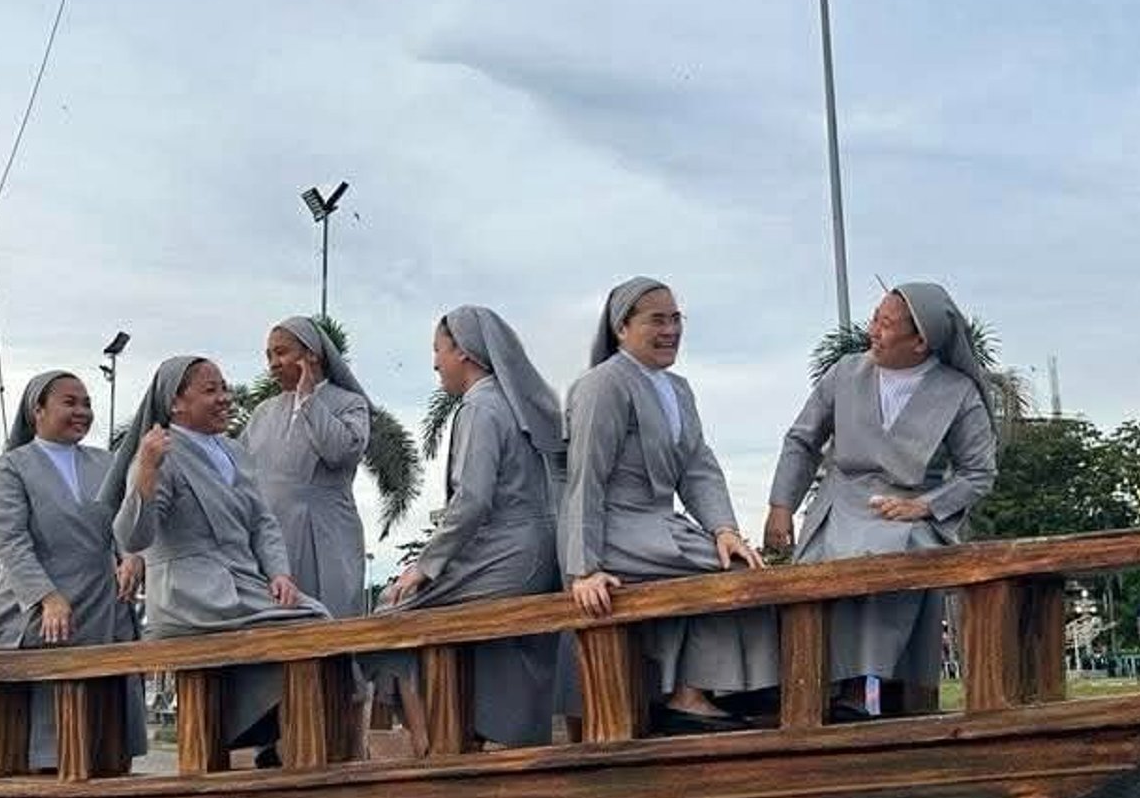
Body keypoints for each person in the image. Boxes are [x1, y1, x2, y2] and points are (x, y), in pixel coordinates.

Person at [764, 282, 998, 718]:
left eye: (886, 324)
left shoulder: (958, 393)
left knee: (890, 564)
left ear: (920, 341)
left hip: (909, 512)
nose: (873, 330)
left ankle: (862, 688)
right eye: (875, 317)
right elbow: (802, 440)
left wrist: (926, 505)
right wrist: (781, 506)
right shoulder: (845, 373)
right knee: (816, 579)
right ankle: (807, 689)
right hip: (839, 504)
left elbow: (978, 472)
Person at [560, 277, 771, 734]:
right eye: (657, 319)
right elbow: (585, 478)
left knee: (741, 563)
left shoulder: (678, 389)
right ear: (622, 328)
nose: (671, 329)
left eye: (676, 319)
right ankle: (691, 697)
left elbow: (698, 467)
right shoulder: (603, 385)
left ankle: (720, 691)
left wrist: (724, 529)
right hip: (617, 528)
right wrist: (584, 568)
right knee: (726, 576)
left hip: (659, 525)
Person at [103, 356, 329, 752]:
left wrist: (279, 573)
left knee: (321, 623)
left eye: (224, 388)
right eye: (211, 391)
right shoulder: (157, 455)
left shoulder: (235, 452)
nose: (225, 398)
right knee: (307, 629)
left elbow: (263, 521)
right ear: (176, 403)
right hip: (190, 592)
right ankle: (277, 744)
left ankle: (277, 744)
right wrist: (148, 474)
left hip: (243, 584)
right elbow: (134, 536)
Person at [379, 307, 563, 748]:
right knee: (490, 651)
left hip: (505, 554)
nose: (435, 363)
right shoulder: (515, 404)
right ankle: (479, 738)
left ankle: (432, 748)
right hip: (538, 553)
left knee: (388, 614)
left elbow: (473, 500)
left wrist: (424, 566)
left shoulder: (480, 408)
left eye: (438, 350)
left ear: (463, 352)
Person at [0, 370, 147, 771]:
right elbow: (11, 541)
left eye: (86, 403)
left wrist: (133, 556)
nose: (82, 412)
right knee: (47, 741)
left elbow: (127, 523)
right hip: (41, 606)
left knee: (106, 739)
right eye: (70, 402)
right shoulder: (13, 467)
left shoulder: (106, 462)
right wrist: (47, 597)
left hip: (103, 605)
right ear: (37, 410)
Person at [239, 317, 371, 619]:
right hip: (272, 542)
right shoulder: (263, 412)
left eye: (281, 352)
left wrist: (309, 398)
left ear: (312, 354)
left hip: (326, 536)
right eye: (269, 355)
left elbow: (341, 451)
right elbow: (239, 474)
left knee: (327, 632)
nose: (273, 363)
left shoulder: (349, 404)